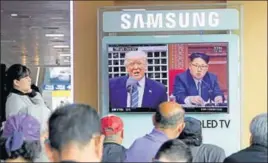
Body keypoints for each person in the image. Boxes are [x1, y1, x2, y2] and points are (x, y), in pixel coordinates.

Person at [5, 64, 51, 162]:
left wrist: (32, 92)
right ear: (16, 82)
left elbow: (43, 109)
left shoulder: (23, 96)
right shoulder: (14, 101)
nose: (30, 79)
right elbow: (42, 113)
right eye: (26, 77)